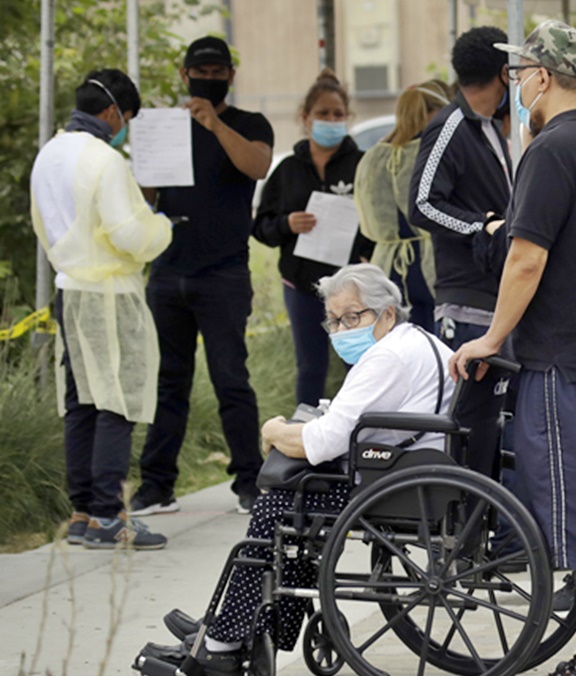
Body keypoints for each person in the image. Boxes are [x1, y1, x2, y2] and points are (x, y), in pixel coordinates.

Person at [140, 264, 454, 671]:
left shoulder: (385, 359)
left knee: (279, 502)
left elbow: (322, 442)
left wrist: (275, 431)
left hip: (392, 483)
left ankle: (222, 641)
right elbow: (347, 418)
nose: (342, 329)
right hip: (412, 470)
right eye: (335, 320)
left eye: (353, 317)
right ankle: (239, 626)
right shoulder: (419, 342)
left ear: (387, 313)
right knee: (297, 498)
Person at [451, 20, 576, 676]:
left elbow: (526, 260)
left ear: (542, 76)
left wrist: (491, 336)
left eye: (521, 71)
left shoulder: (552, 149)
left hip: (565, 360)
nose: (516, 83)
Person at [30, 70, 173, 549]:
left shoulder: (49, 153)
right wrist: (162, 227)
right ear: (114, 113)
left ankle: (83, 513)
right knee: (117, 402)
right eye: (127, 119)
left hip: (69, 288)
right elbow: (130, 234)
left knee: (82, 402)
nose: (124, 127)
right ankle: (110, 516)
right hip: (109, 292)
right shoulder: (104, 160)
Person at [132, 36, 274, 516]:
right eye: (200, 72)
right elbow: (145, 196)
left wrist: (213, 124)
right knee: (169, 381)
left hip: (224, 274)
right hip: (169, 272)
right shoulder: (164, 126)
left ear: (231, 76)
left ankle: (249, 482)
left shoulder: (249, 123)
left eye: (217, 72)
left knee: (231, 378)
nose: (207, 79)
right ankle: (156, 485)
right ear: (183, 73)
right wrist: (144, 162)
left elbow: (256, 165)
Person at [253, 69, 371, 407]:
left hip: (353, 287)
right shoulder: (288, 169)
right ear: (306, 118)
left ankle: (357, 433)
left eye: (338, 114)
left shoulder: (362, 165)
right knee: (310, 367)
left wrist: (366, 253)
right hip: (302, 286)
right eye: (323, 113)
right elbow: (261, 226)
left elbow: (379, 221)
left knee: (360, 364)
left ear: (347, 118)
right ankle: (305, 439)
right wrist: (286, 224)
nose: (331, 120)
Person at [408, 26, 514, 351]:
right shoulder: (449, 126)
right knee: (471, 402)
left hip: (497, 294)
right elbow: (421, 205)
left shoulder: (489, 126)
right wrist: (482, 226)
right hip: (467, 301)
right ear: (505, 73)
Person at [356, 80, 454, 334]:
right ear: (434, 111)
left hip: (386, 268)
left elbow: (367, 220)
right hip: (434, 264)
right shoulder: (435, 152)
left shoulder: (372, 157)